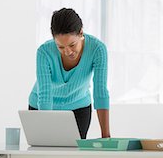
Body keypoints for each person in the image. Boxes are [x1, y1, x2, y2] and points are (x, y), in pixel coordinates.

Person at [28, 8, 110, 139]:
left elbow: (100, 92)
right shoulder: (44, 52)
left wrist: (106, 137)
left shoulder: (97, 49)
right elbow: (44, 96)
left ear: (81, 33)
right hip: (42, 107)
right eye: (60, 47)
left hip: (78, 107)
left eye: (72, 45)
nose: (67, 52)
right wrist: (45, 133)